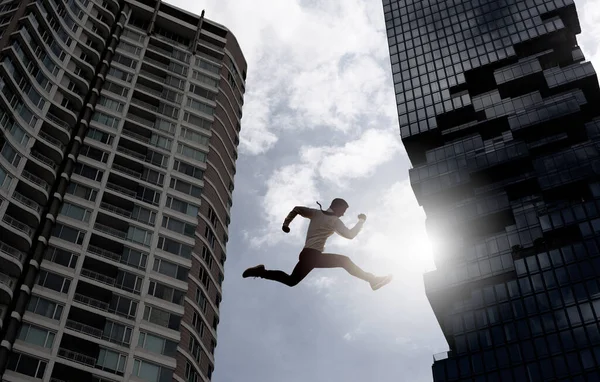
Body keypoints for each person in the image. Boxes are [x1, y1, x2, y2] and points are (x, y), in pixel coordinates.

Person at [242, 198, 393, 290]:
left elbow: (297, 209)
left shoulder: (317, 214)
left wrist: (287, 224)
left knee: (291, 281)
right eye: (344, 210)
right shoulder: (331, 219)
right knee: (344, 261)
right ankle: (372, 280)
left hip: (308, 255)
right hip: (312, 255)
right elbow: (350, 235)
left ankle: (261, 272)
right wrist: (361, 221)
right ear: (338, 207)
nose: (344, 214)